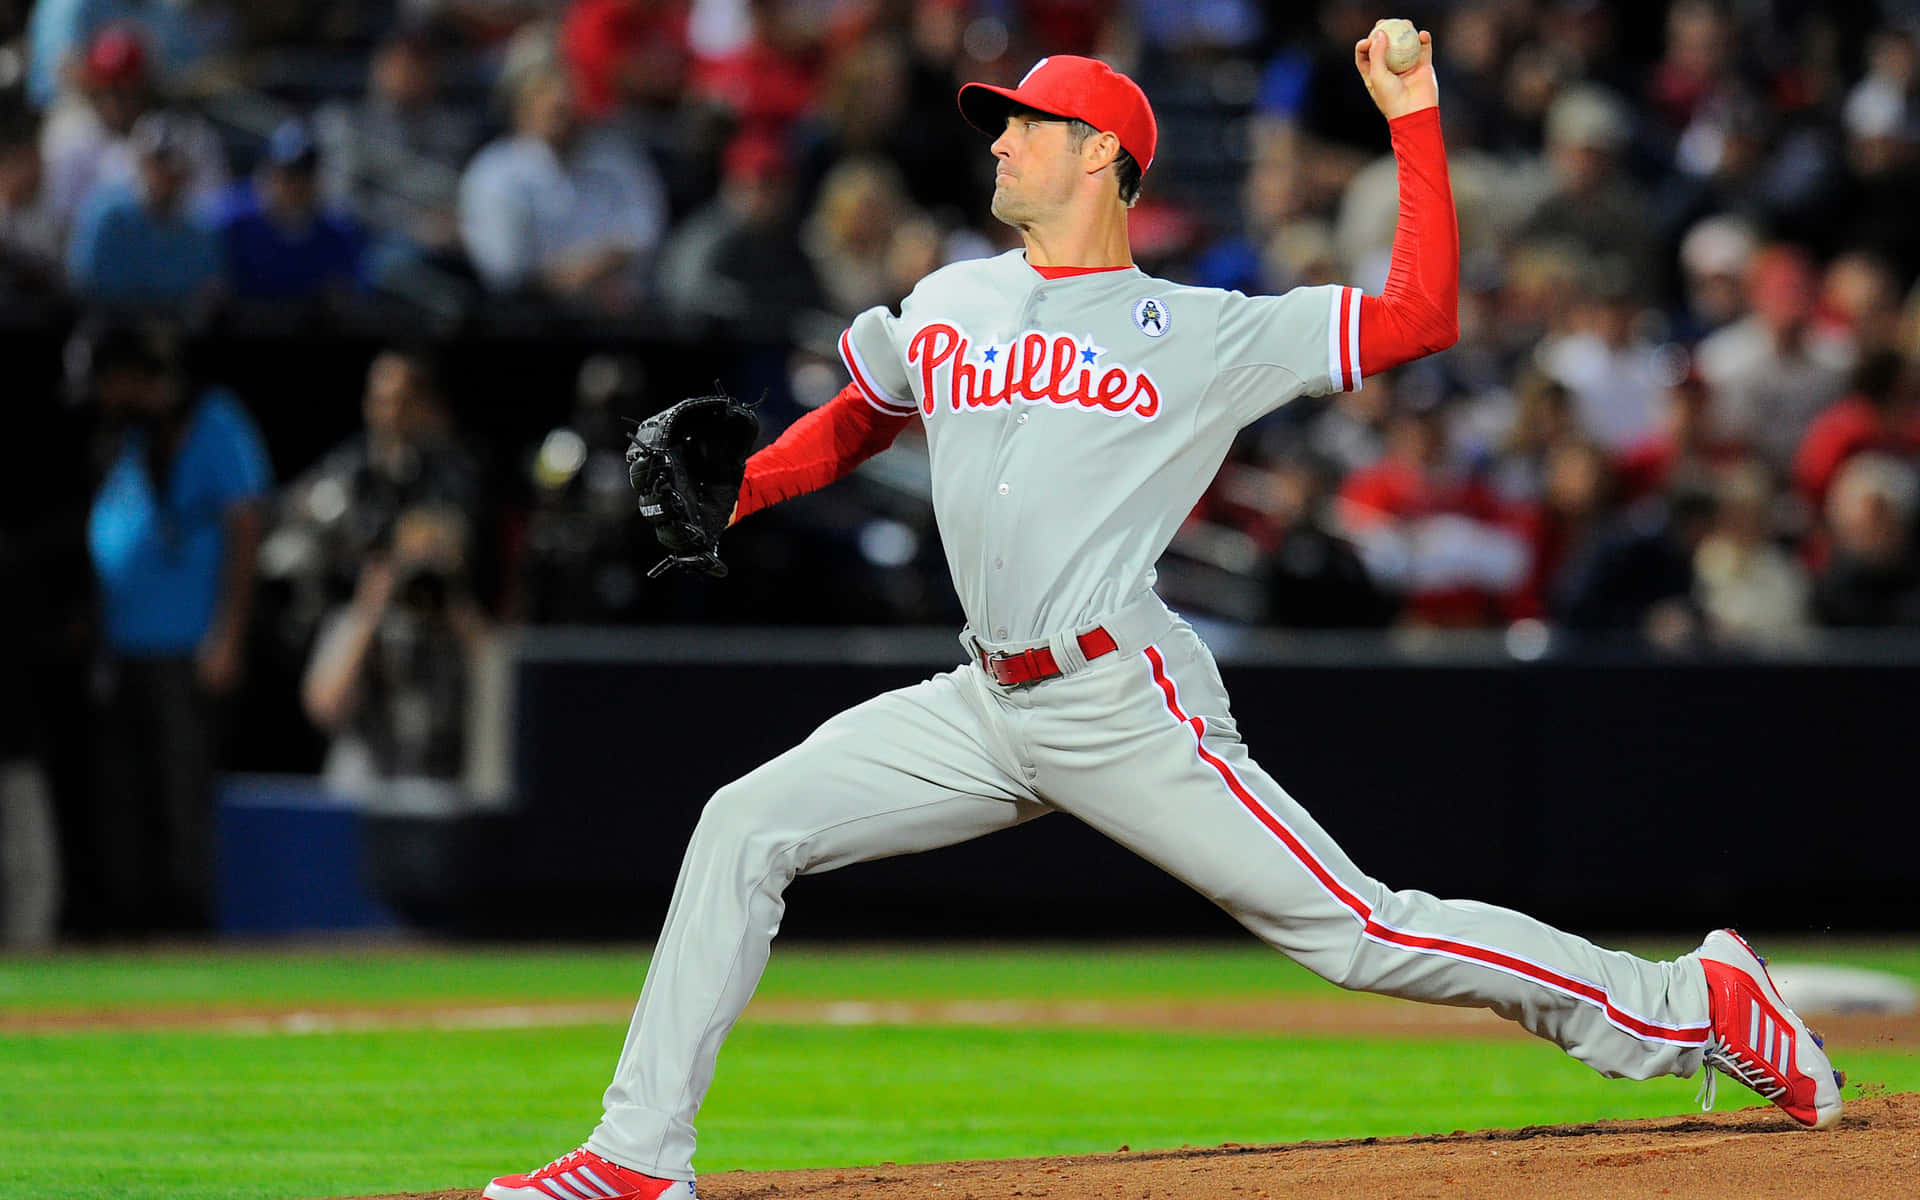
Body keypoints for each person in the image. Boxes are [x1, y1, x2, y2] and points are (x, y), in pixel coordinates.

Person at [485, 34, 1843, 1200]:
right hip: (982, 700)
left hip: (1120, 699)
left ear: (1103, 158)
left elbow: (1420, 315)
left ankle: (1692, 1008)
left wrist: (1413, 118)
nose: (1002, 140)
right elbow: (860, 416)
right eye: (999, 120)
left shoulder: (1198, 328)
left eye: (1028, 122)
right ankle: (637, 1152)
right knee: (744, 823)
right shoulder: (954, 297)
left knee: (1359, 929)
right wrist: (746, 498)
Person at [83, 320, 270, 934]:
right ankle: (131, 924)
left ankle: (189, 926)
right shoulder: (128, 439)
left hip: (189, 645)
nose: (102, 399)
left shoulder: (214, 421)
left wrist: (229, 636)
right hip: (126, 643)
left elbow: (246, 529)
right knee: (125, 795)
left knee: (182, 793)